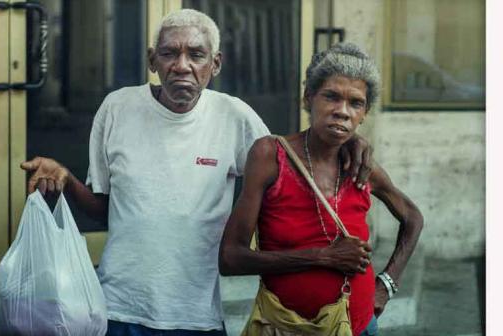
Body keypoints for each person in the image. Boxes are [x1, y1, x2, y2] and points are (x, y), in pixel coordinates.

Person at [21, 9, 374, 336]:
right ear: (152, 60)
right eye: (169, 53)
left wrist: (347, 143)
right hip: (118, 307)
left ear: (215, 64)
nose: (181, 65)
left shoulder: (234, 117)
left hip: (196, 314)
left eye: (196, 55)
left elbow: (294, 164)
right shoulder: (117, 108)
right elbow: (104, 209)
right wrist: (65, 178)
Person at [218, 43, 424, 336]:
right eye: (331, 97)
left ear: (364, 114)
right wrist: (323, 256)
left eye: (355, 103)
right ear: (308, 98)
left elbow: (413, 217)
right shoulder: (271, 156)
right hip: (288, 326)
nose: (342, 111)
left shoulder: (361, 167)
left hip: (360, 326)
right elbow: (230, 257)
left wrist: (388, 283)